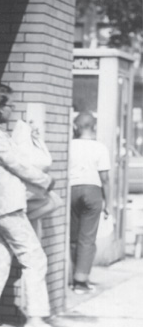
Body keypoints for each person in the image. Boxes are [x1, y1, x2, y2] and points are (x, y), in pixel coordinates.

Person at [0, 83, 62, 327]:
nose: (12, 110)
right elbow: (17, 164)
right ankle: (35, 320)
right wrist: (45, 182)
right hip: (5, 205)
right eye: (9, 105)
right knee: (35, 257)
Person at [69, 111, 111, 293]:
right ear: (93, 127)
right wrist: (108, 202)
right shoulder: (100, 148)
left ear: (75, 127)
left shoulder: (69, 145)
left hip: (71, 189)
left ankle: (72, 277)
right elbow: (105, 178)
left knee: (72, 237)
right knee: (87, 238)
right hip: (92, 190)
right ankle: (81, 281)